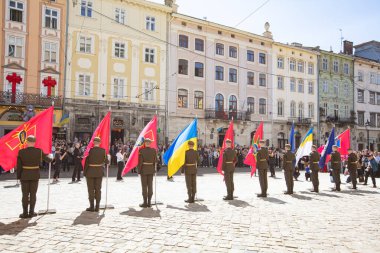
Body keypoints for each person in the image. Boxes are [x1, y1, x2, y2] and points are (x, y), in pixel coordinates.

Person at [17, 135, 53, 218]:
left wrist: (19, 177)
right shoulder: (39, 151)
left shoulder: (21, 152)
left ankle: (25, 213)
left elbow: (19, 166)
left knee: (25, 195)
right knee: (33, 194)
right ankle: (32, 212)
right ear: (34, 143)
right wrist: (50, 156)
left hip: (24, 175)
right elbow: (48, 160)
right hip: (35, 175)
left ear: (27, 142)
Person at [83, 137, 109, 212]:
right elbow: (107, 162)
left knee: (90, 190)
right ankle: (97, 207)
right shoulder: (103, 151)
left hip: (90, 172)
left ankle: (91, 207)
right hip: (99, 172)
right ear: (100, 143)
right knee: (98, 189)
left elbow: (86, 163)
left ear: (93, 142)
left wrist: (85, 172)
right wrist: (108, 158)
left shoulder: (89, 151)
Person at [137, 138, 157, 208]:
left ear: (145, 143)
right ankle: (149, 202)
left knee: (144, 186)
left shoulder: (141, 151)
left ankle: (145, 202)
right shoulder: (154, 151)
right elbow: (155, 161)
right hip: (151, 170)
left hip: (144, 170)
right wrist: (154, 169)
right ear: (150, 143)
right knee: (150, 186)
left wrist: (138, 171)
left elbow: (140, 162)